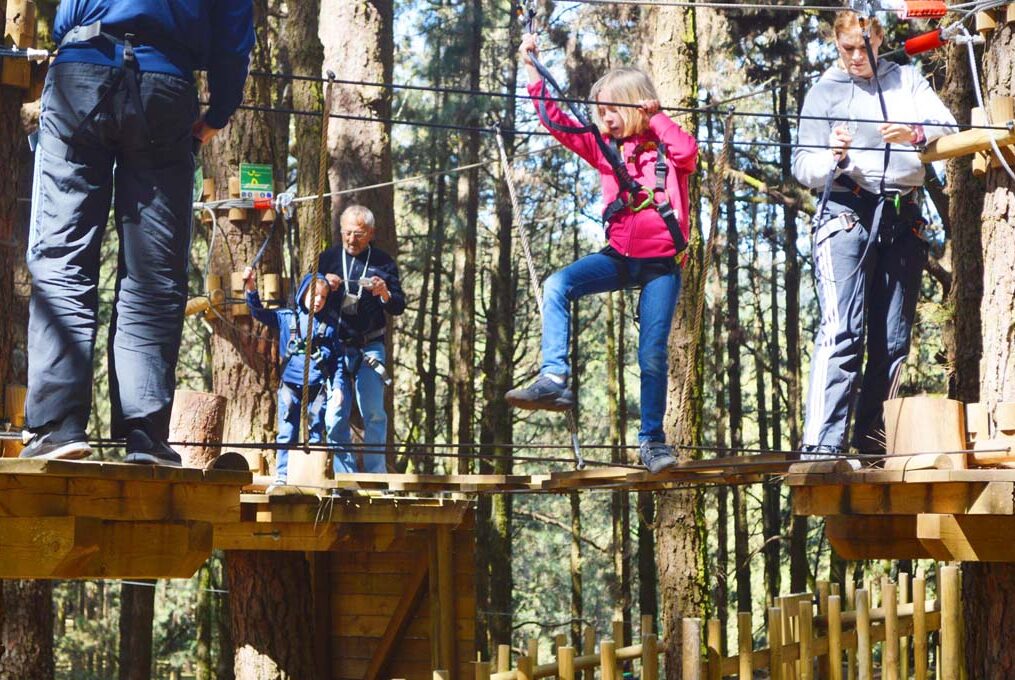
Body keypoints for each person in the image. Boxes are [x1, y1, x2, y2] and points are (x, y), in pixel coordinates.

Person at [21, 1, 254, 464]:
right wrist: (220, 110)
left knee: (61, 258)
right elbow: (233, 25)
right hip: (165, 86)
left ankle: (57, 427)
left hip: (79, 72)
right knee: (153, 272)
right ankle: (145, 434)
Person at [504, 34, 698, 474]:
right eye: (601, 111)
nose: (605, 118)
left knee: (651, 353)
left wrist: (658, 119)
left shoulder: (667, 146)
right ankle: (554, 377)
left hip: (661, 267)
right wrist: (532, 67)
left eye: (613, 110)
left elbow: (689, 153)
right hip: (618, 256)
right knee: (558, 284)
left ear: (635, 105)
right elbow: (556, 122)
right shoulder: (602, 147)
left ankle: (652, 442)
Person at [792, 12, 957, 458]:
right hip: (848, 212)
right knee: (844, 331)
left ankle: (872, 448)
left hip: (902, 217)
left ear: (879, 40)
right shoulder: (824, 91)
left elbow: (949, 126)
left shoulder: (906, 81)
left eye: (865, 47)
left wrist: (913, 133)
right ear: (835, 43)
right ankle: (822, 450)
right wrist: (835, 157)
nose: (857, 57)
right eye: (848, 48)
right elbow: (802, 165)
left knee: (893, 341)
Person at [319, 205, 405, 474]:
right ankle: (345, 479)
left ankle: (376, 476)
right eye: (346, 233)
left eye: (358, 234)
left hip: (371, 346)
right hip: (336, 347)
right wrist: (322, 283)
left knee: (374, 413)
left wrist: (384, 293)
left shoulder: (383, 261)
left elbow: (398, 306)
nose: (351, 240)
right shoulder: (328, 258)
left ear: (371, 233)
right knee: (335, 416)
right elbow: (306, 299)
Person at [244, 269, 337, 486]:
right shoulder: (287, 318)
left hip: (317, 388)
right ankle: (282, 477)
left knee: (315, 433)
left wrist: (338, 385)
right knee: (287, 431)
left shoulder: (329, 327)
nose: (318, 301)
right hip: (290, 388)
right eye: (314, 295)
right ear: (304, 293)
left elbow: (336, 358)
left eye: (323, 297)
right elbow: (258, 312)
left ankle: (313, 477)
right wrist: (251, 288)